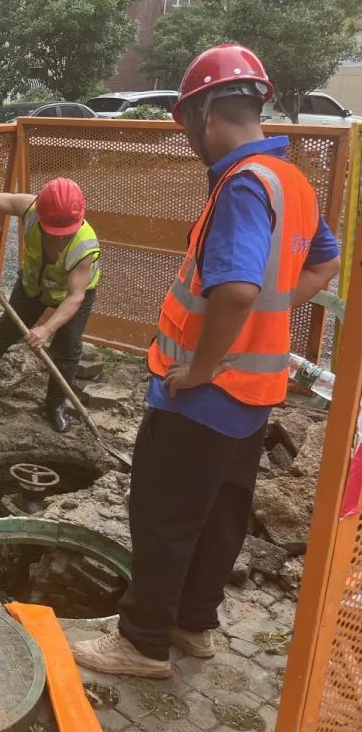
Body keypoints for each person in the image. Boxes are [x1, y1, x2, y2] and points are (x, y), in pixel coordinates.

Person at [71, 44, 341, 679]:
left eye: (189, 128)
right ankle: (193, 625)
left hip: (203, 395)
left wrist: (201, 367)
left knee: (163, 516)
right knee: (221, 514)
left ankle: (142, 643)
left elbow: (238, 291)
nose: (192, 142)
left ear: (207, 116)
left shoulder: (243, 185)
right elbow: (324, 263)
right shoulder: (291, 181)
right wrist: (266, 317)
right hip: (257, 392)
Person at [0, 178, 100, 433]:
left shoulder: (85, 247)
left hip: (70, 295)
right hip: (33, 285)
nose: (59, 240)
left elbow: (75, 297)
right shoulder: (30, 208)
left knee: (67, 349)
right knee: (3, 332)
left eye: (65, 234)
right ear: (40, 214)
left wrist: (47, 329)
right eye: (53, 231)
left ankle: (55, 406)